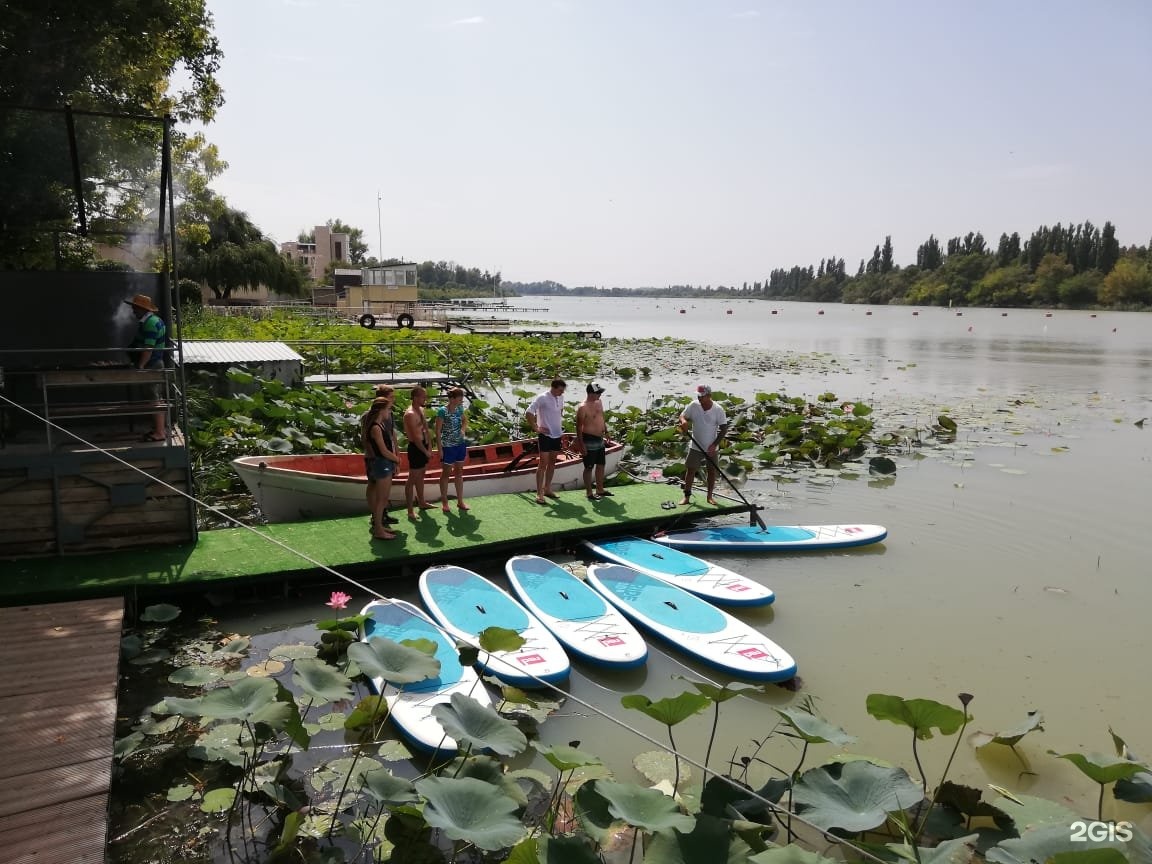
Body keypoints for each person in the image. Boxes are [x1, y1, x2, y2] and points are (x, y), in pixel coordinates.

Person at [125, 293, 168, 442]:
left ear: (141, 308)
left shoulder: (150, 323)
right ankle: (159, 429)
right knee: (157, 398)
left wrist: (141, 366)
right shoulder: (152, 321)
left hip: (152, 365)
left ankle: (160, 433)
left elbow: (148, 348)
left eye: (135, 308)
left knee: (153, 399)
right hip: (156, 363)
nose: (133, 311)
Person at [678, 384, 728, 506]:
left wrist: (714, 445)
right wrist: (684, 421)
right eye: (698, 396)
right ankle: (686, 497)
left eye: (702, 396)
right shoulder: (693, 405)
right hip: (695, 445)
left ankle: (709, 497)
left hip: (711, 447)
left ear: (709, 396)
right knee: (690, 470)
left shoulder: (718, 409)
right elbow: (682, 415)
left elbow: (724, 429)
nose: (699, 398)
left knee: (711, 471)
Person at [362, 387, 399, 540]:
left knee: (383, 498)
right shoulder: (374, 425)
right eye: (388, 408)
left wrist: (395, 456)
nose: (389, 411)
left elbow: (391, 437)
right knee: (381, 498)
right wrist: (396, 459)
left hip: (386, 460)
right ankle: (378, 526)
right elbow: (380, 449)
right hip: (380, 461)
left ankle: (380, 523)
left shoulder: (382, 423)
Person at [524, 378, 566, 505]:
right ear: (553, 387)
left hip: (557, 434)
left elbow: (560, 412)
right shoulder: (542, 397)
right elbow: (529, 412)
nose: (562, 393)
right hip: (545, 435)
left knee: (552, 463)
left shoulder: (561, 398)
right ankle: (539, 493)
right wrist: (536, 428)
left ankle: (547, 489)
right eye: (560, 390)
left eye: (563, 391)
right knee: (543, 464)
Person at [434, 387, 470, 513]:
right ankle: (445, 502)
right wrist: (440, 450)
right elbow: (437, 431)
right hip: (448, 446)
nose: (462, 400)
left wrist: (463, 430)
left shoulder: (460, 409)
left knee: (459, 472)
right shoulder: (442, 411)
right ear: (453, 398)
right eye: (460, 398)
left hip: (460, 445)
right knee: (446, 474)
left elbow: (465, 421)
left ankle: (460, 501)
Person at [575, 382, 613, 501]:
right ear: (590, 393)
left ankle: (600, 489)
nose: (600, 395)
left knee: (601, 464)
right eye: (598, 393)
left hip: (600, 439)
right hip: (588, 439)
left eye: (600, 392)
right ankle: (589, 492)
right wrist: (581, 445)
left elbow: (601, 417)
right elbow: (578, 428)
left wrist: (606, 431)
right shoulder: (582, 407)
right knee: (589, 467)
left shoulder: (599, 402)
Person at [403, 385, 435, 517]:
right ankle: (410, 510)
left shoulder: (421, 410)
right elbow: (415, 437)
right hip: (416, 447)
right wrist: (424, 451)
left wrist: (429, 446)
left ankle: (421, 501)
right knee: (412, 478)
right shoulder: (410, 414)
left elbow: (426, 429)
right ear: (416, 398)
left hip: (424, 444)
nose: (425, 399)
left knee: (421, 475)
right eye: (423, 396)